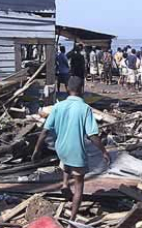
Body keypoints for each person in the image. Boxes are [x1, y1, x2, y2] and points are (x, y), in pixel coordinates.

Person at [31, 76, 110, 224]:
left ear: (67, 89)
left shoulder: (58, 106)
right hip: (75, 152)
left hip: (61, 149)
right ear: (81, 89)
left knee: (66, 160)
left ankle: (65, 183)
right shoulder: (85, 108)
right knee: (79, 186)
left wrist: (36, 149)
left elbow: (45, 130)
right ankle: (72, 220)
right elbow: (92, 135)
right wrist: (104, 151)